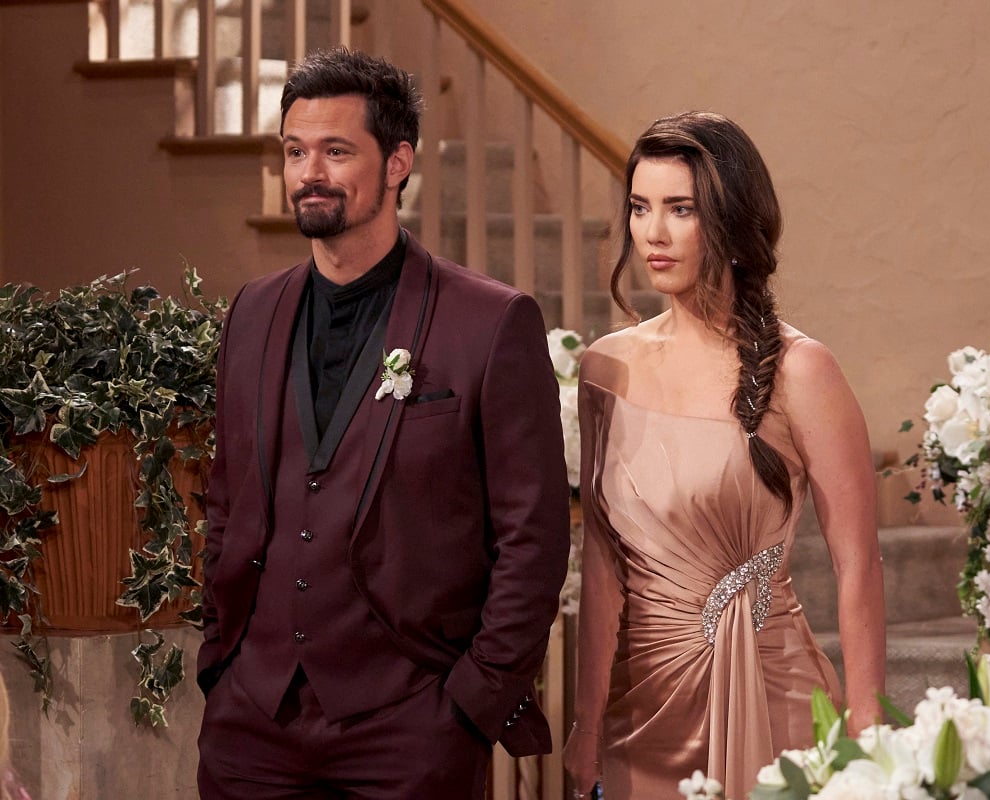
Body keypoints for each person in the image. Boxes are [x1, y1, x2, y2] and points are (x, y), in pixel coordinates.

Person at [195, 47, 570, 799]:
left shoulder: (490, 322)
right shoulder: (252, 312)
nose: (310, 174)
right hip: (252, 724)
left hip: (412, 728)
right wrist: (220, 658)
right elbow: (227, 498)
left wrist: (471, 703)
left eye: (337, 151)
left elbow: (533, 536)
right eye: (296, 152)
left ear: (398, 162)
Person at [562, 112, 886, 799]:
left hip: (774, 698)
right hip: (639, 711)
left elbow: (857, 562)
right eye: (639, 208)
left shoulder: (804, 372)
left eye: (680, 209)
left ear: (733, 221)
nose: (652, 233)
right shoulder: (603, 368)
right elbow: (600, 562)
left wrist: (867, 726)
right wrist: (586, 723)